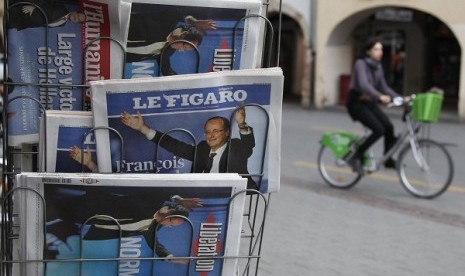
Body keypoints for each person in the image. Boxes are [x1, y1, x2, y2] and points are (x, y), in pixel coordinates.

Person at [120, 107, 258, 190]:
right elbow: (176, 147)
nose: (211, 135)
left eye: (216, 130)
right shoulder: (203, 148)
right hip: (203, 195)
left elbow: (248, 145)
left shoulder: (236, 147)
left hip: (234, 194)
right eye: (208, 132)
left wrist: (241, 124)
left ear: (227, 132)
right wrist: (143, 129)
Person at [46, 192, 201, 264]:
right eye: (173, 220)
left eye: (173, 225)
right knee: (51, 209)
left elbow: (155, 246)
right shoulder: (153, 200)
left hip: (90, 227)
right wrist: (180, 200)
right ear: (169, 211)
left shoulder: (153, 229)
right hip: (90, 207)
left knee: (54, 229)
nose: (170, 225)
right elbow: (162, 192)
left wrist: (171, 258)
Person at [345, 37, 407, 174]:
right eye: (376, 49)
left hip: (369, 102)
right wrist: (379, 96)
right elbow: (363, 84)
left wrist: (401, 98)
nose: (380, 52)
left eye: (381, 49)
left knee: (389, 127)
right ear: (368, 51)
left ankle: (387, 158)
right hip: (356, 103)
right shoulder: (360, 64)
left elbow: (383, 86)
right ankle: (357, 154)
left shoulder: (378, 66)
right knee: (379, 129)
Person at [8, 0, 86, 30]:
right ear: (75, 12)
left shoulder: (62, 24)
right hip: (23, 12)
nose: (77, 18)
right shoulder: (61, 7)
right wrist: (34, 5)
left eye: (79, 20)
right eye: (78, 16)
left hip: (22, 23)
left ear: (76, 22)